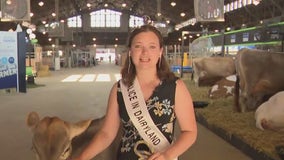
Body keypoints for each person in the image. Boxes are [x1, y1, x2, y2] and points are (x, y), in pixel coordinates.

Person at [73, 24, 197, 160]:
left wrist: (168, 155)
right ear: (130, 52)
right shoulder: (119, 89)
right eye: (138, 46)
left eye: (152, 46)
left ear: (160, 51)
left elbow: (190, 132)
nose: (145, 53)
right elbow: (106, 134)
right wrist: (81, 157)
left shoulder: (175, 87)